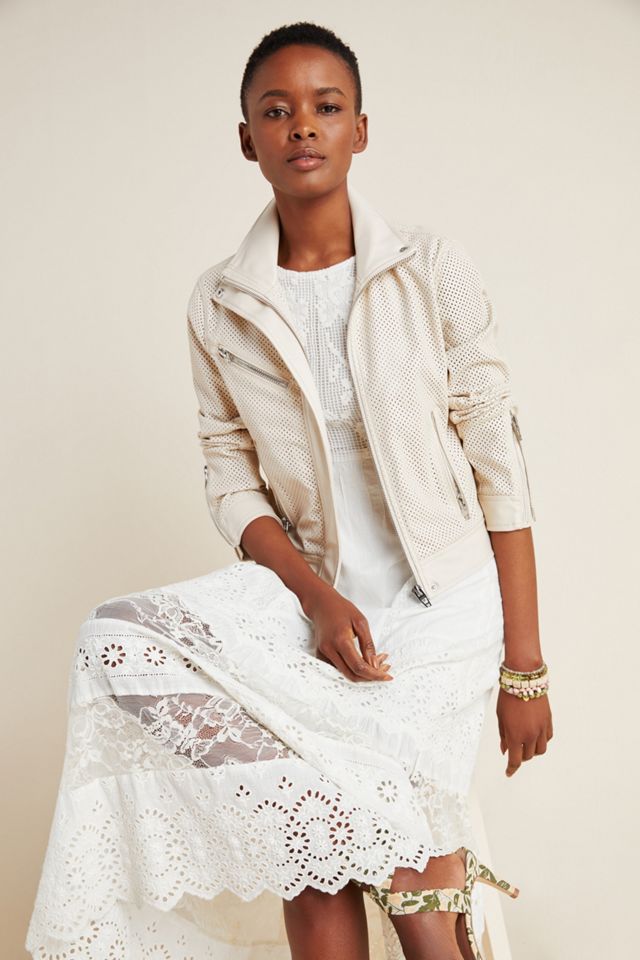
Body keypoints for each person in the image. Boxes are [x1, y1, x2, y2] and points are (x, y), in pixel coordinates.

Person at [25, 20, 553, 960]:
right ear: (247, 139)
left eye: (326, 106)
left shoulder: (430, 267)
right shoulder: (218, 300)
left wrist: (525, 667)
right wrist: (314, 598)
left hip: (443, 615)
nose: (302, 125)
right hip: (316, 610)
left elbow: (498, 465)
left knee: (420, 900)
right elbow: (229, 475)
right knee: (303, 858)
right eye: (277, 110)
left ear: (360, 129)